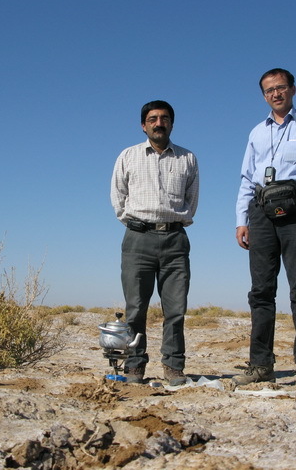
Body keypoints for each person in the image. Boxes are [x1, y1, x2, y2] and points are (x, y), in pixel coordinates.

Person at [233, 68, 296, 391]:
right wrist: (241, 219)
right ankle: (260, 364)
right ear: (264, 95)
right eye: (269, 90)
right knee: (261, 292)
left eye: (280, 88)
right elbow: (247, 178)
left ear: (292, 89)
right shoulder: (256, 133)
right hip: (261, 214)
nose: (275, 94)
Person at [110, 100, 199, 386]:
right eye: (152, 119)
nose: (158, 123)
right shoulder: (128, 156)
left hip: (175, 240)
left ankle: (174, 367)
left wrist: (172, 222)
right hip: (138, 239)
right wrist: (137, 223)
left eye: (164, 118)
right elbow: (118, 198)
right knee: (136, 308)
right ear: (143, 125)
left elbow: (191, 200)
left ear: (171, 123)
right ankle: (134, 367)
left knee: (176, 309)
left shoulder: (187, 159)